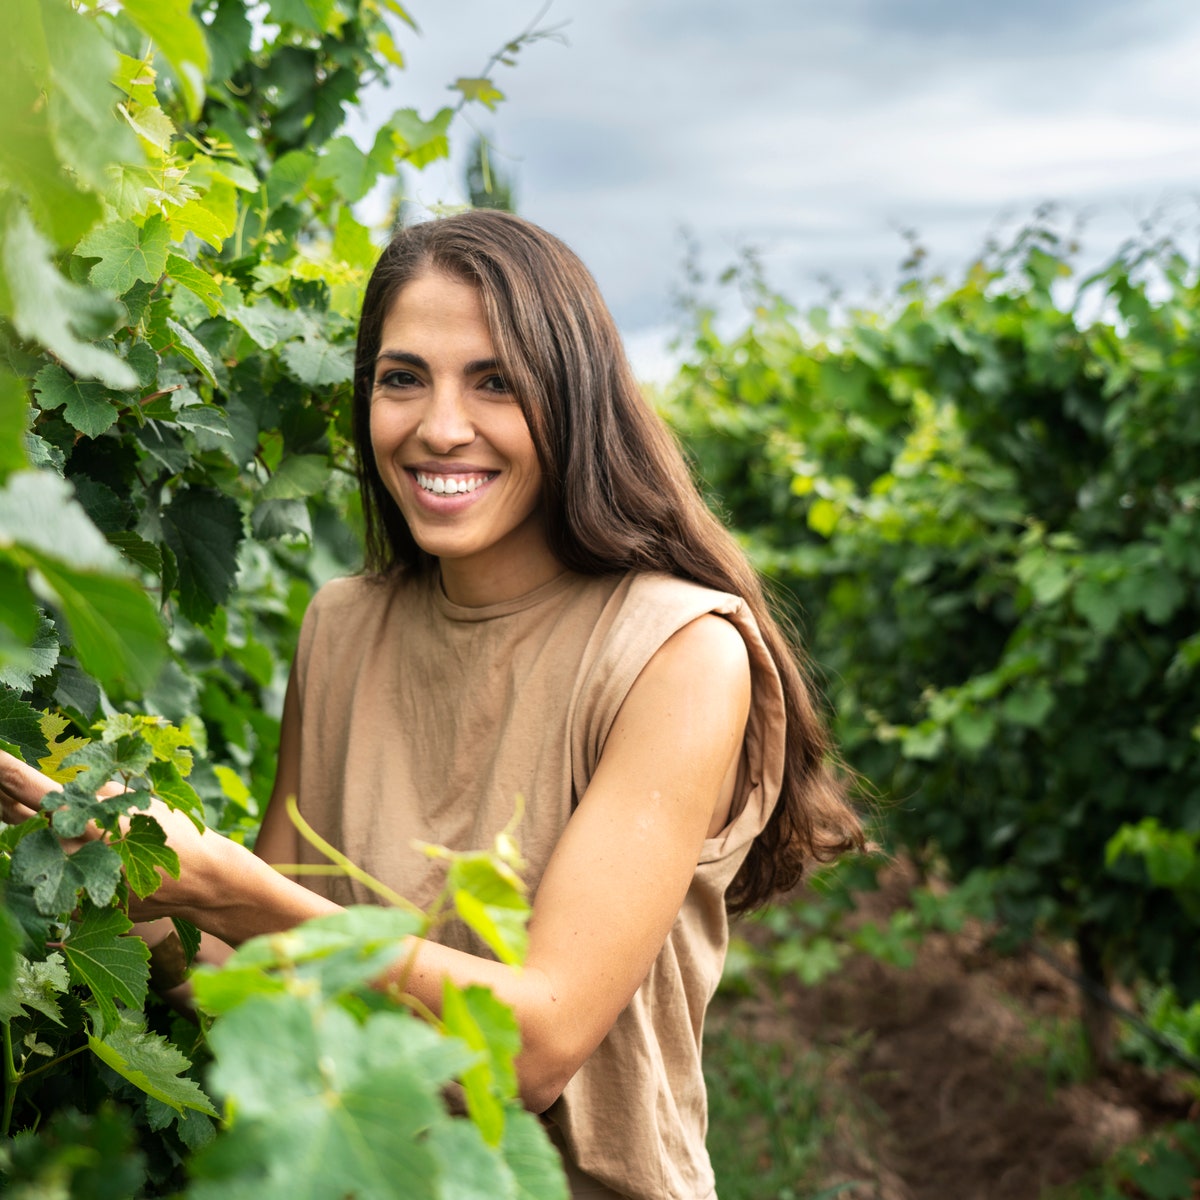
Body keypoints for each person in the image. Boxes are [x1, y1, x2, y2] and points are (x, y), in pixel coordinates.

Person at [0, 210, 863, 1199]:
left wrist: (225, 885)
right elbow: (252, 990)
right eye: (402, 378)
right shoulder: (343, 627)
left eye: (494, 381)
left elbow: (532, 1047)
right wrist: (108, 877)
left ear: (572, 399)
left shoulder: (678, 652)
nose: (439, 425)